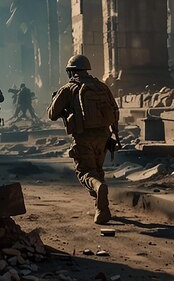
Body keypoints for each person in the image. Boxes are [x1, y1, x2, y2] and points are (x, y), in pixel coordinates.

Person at [48, 55, 119, 224]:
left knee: (85, 172)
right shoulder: (101, 86)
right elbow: (115, 111)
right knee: (97, 169)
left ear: (70, 71)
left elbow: (52, 115)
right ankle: (102, 209)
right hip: (103, 136)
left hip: (83, 137)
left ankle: (99, 190)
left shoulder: (69, 88)